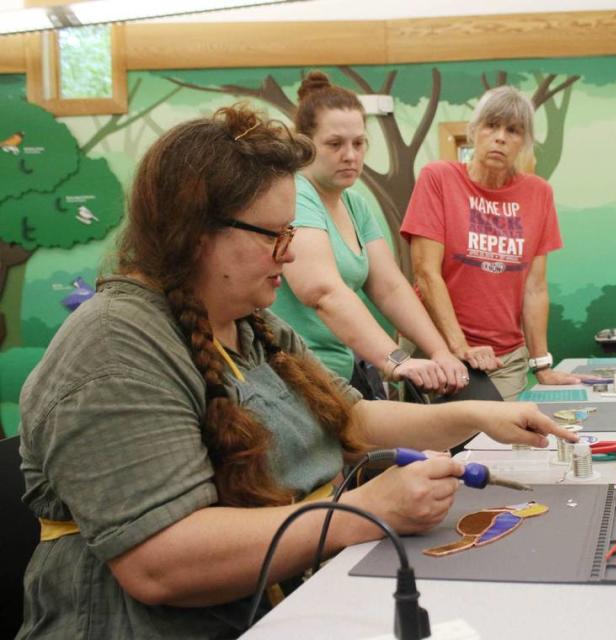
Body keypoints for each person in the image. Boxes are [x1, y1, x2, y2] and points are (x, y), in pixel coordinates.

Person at [15, 105, 575, 639]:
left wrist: (480, 416)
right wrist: (367, 511)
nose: (289, 253)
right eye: (275, 235)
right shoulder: (116, 347)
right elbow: (160, 563)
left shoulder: (251, 325)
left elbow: (350, 417)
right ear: (196, 231)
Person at [270, 71, 468, 396]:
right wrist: (395, 359)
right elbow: (321, 291)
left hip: (343, 370)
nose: (350, 155)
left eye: (359, 143)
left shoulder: (355, 204)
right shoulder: (295, 195)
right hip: (294, 375)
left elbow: (390, 288)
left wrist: (440, 352)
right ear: (305, 145)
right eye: (335, 144)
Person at [401, 86, 581, 401]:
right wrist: (459, 348)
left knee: (507, 444)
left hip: (505, 359)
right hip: (437, 348)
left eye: (513, 131)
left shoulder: (538, 194)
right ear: (473, 131)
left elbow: (535, 288)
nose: (500, 137)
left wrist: (541, 364)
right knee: (443, 448)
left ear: (525, 143)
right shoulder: (439, 178)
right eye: (491, 126)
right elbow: (426, 273)